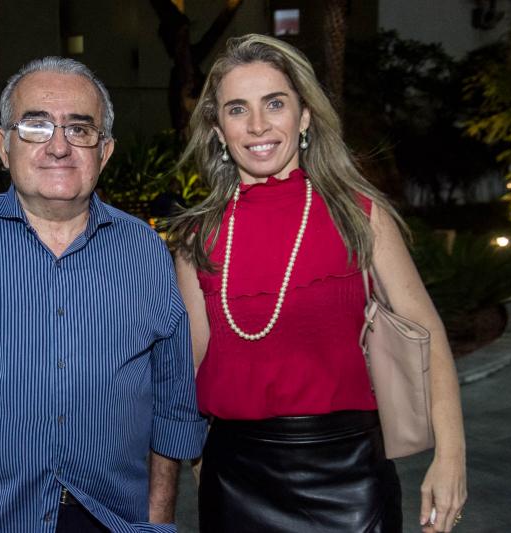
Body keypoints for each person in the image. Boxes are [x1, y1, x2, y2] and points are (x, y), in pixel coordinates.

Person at [0, 56, 207, 533]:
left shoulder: (146, 251)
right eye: (35, 126)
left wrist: (157, 519)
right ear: (3, 146)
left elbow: (172, 402)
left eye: (79, 129)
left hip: (115, 521)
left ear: (104, 151)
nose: (59, 146)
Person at [169, 34, 467, 533]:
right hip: (235, 478)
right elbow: (189, 369)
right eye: (238, 109)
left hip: (349, 478)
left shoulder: (358, 216)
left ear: (304, 116)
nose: (258, 125)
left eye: (275, 104)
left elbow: (427, 332)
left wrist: (451, 457)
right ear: (218, 129)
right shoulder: (197, 238)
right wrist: (199, 462)